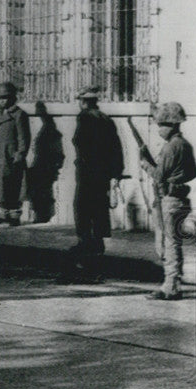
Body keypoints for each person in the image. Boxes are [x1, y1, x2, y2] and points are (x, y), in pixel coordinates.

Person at [62, 85, 124, 282]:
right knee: (98, 216)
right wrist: (115, 174)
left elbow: (81, 145)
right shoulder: (106, 120)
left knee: (83, 214)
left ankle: (85, 265)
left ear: (82, 102)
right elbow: (116, 149)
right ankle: (97, 263)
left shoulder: (84, 118)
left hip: (88, 175)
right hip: (102, 177)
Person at [140, 102, 196, 300]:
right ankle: (174, 282)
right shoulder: (185, 145)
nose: (159, 129)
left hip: (170, 200)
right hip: (180, 198)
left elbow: (157, 175)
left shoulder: (171, 147)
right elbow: (193, 172)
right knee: (174, 242)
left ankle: (170, 286)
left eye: (162, 125)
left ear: (172, 125)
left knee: (169, 243)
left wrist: (145, 164)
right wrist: (178, 177)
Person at [0, 81, 31, 225]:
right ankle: (3, 213)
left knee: (14, 184)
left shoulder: (19, 115)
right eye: (0, 98)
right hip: (0, 156)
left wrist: (20, 153)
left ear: (13, 98)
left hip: (12, 156)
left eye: (5, 98)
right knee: (1, 185)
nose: (2, 101)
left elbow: (23, 137)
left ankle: (14, 214)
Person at [26, 100, 65, 223]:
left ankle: (42, 215)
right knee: (38, 190)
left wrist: (56, 165)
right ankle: (39, 214)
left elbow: (56, 150)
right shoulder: (44, 127)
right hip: (39, 164)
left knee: (42, 191)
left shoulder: (50, 129)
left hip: (45, 165)